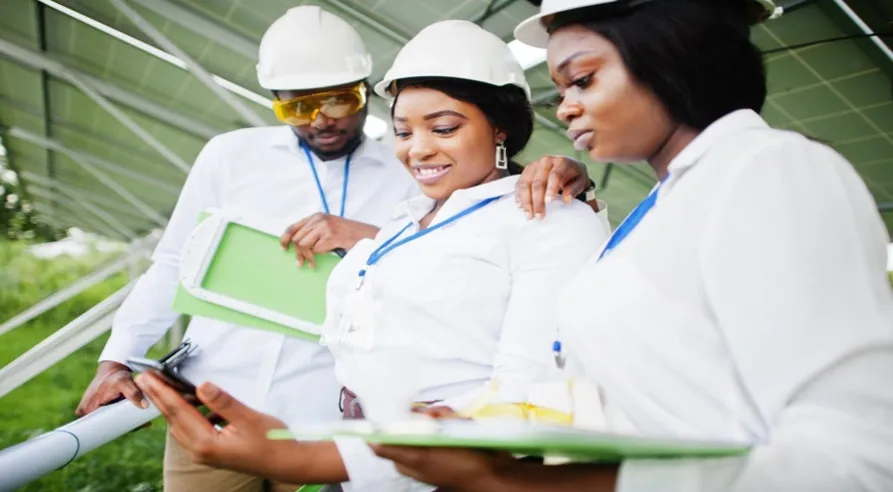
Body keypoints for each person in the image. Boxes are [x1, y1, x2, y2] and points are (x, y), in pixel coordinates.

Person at [366, 1, 893, 491]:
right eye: (561, 88)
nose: (566, 108)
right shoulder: (669, 204)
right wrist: (485, 427)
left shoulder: (768, 170)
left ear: (669, 55)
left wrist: (514, 482)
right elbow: (648, 396)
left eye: (582, 80)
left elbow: (853, 454)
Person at [134, 20, 612, 492]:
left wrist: (307, 460)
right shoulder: (409, 221)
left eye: (443, 128)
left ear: (501, 127)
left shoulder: (545, 218)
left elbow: (530, 396)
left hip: (437, 473)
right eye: (403, 132)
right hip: (367, 458)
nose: (418, 150)